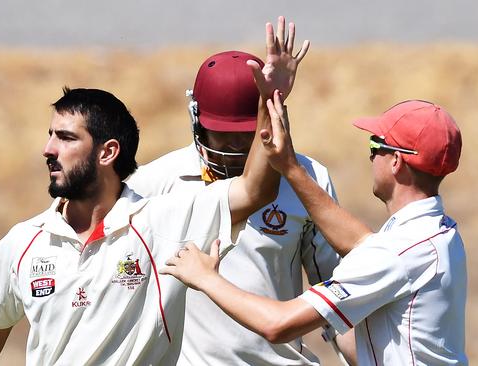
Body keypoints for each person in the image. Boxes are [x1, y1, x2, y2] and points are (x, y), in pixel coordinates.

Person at [0, 17, 307, 366]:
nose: (48, 149)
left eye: (66, 138)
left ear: (108, 152)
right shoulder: (23, 241)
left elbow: (255, 190)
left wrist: (268, 102)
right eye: (50, 135)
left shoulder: (163, 222)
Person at [161, 98, 468, 365]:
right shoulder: (438, 231)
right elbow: (361, 243)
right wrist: (290, 167)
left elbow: (279, 325)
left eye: (376, 145)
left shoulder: (397, 253)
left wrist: (206, 278)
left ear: (397, 161)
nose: (371, 156)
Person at [126, 48, 342, 366]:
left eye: (246, 133)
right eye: (224, 133)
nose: (237, 147)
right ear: (196, 117)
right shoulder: (153, 183)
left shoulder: (308, 178)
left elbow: (337, 297)